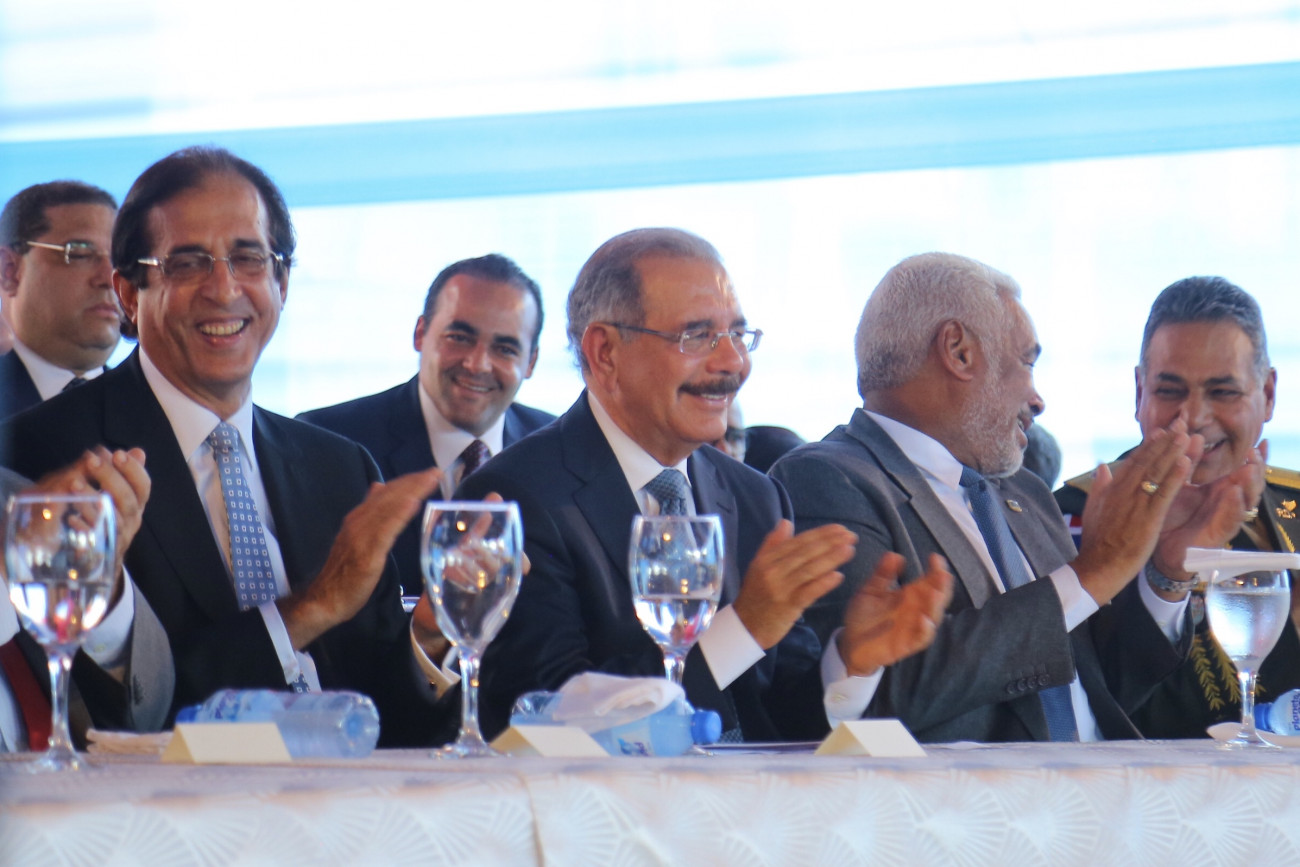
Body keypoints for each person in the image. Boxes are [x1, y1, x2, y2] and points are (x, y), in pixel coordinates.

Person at [0, 146, 455, 746]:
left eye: (248, 258)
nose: (224, 289)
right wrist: (310, 607)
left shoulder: (339, 466)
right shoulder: (42, 457)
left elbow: (387, 717)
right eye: (187, 263)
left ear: (281, 283)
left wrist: (429, 640)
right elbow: (119, 713)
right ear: (129, 294)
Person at [459, 228, 952, 740]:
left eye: (738, 334)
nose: (733, 363)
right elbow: (549, 714)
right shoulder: (515, 496)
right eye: (696, 336)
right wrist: (740, 629)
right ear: (605, 352)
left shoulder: (755, 497)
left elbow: (782, 719)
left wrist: (850, 662)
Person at [770, 252, 1201, 743]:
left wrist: (1165, 573)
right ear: (958, 351)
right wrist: (1093, 573)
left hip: (1108, 781)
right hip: (972, 792)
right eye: (1027, 362)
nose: (1038, 399)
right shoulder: (827, 480)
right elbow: (876, 695)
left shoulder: (1025, 493)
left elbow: (1099, 685)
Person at [1056, 276, 1298, 738]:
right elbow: (1069, 709)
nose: (1195, 418)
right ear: (1139, 393)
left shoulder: (1294, 513)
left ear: (1268, 395)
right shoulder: (1065, 518)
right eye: (1169, 391)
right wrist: (1165, 577)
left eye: (1223, 392)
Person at [299, 254, 554, 595]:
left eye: (505, 349)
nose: (477, 364)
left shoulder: (558, 452)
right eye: (459, 337)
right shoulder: (326, 443)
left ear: (531, 361)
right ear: (420, 334)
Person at [0, 450, 173, 751]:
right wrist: (6, 573)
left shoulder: (18, 495)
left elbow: (148, 715)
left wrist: (104, 581)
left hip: (73, 775)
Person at [0, 181, 121, 419]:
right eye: (80, 254)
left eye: (119, 260)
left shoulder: (150, 408)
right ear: (9, 270)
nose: (110, 278)